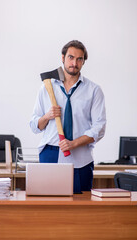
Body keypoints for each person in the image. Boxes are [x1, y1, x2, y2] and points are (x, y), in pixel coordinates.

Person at [30, 40, 106, 193]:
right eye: (71, 57)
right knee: (47, 206)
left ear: (83, 62)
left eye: (79, 59)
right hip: (50, 154)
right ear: (62, 58)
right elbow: (34, 125)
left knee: (80, 208)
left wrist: (74, 143)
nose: (74, 63)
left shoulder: (94, 90)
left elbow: (100, 128)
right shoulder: (46, 87)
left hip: (80, 158)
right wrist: (47, 116)